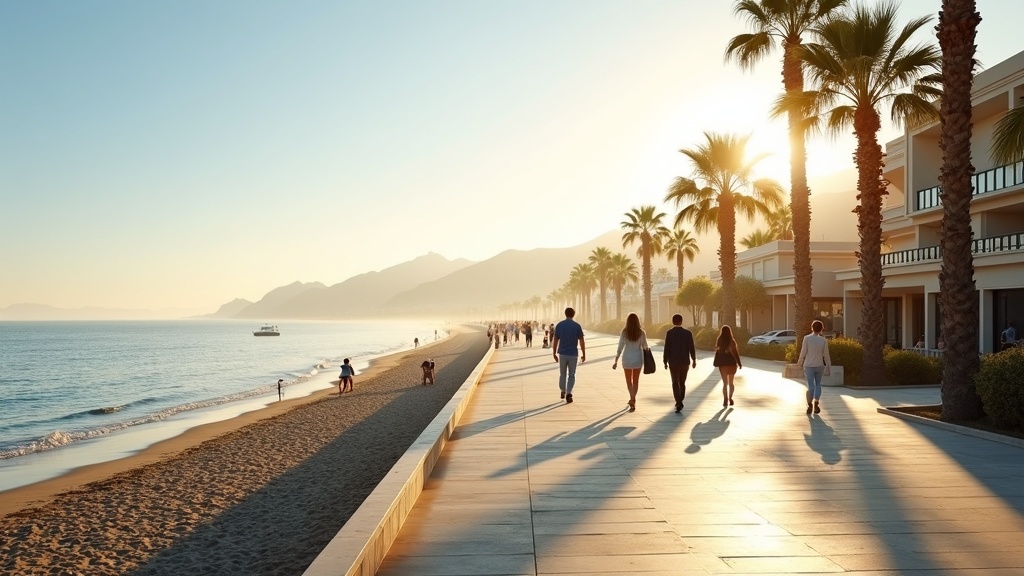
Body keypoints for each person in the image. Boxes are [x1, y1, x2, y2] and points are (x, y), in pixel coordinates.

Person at [612, 313, 649, 413]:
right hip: (637, 359)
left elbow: (620, 346)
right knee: (636, 381)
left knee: (629, 381)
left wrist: (616, 358)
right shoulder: (642, 332)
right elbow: (645, 346)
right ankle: (633, 399)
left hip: (627, 359)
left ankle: (632, 398)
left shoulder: (624, 332)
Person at [663, 313, 697, 413]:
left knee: (674, 382)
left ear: (673, 322)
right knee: (682, 382)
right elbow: (691, 347)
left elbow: (667, 348)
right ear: (681, 321)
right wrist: (694, 359)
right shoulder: (688, 333)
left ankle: (678, 401)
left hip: (673, 362)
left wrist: (665, 361)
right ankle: (680, 400)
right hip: (684, 361)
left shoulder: (669, 333)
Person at [551, 307, 586, 404]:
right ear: (573, 314)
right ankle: (569, 392)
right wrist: (584, 354)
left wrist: (554, 353)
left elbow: (555, 340)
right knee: (572, 375)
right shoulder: (577, 326)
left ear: (565, 314)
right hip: (573, 354)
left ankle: (563, 390)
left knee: (562, 374)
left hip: (562, 353)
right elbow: (581, 341)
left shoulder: (560, 325)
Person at [797, 320, 832, 414]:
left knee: (811, 385)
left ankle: (809, 404)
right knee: (818, 384)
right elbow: (826, 354)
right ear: (822, 329)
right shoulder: (823, 340)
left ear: (812, 327)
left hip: (808, 365)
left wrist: (799, 363)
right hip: (820, 365)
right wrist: (828, 364)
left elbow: (803, 352)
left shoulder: (807, 338)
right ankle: (816, 402)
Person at [712, 325, 742, 407]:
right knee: (731, 383)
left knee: (725, 383)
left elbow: (718, 351)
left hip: (723, 364)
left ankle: (725, 399)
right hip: (732, 364)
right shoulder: (732, 341)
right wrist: (739, 363)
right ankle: (730, 398)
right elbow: (735, 353)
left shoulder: (719, 340)